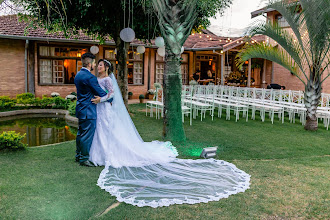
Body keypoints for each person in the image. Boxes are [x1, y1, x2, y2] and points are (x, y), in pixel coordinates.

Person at [87, 59, 251, 208]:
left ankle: (110, 154)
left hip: (105, 108)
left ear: (106, 67)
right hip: (99, 109)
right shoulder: (98, 79)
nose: (98, 67)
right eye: (98, 65)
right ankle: (101, 154)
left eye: (100, 65)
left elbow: (113, 95)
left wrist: (100, 100)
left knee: (108, 131)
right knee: (102, 132)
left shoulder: (108, 79)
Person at [74, 53, 112, 167]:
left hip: (81, 109)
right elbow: (100, 93)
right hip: (88, 110)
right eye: (95, 63)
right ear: (89, 64)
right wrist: (107, 96)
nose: (95, 66)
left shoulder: (78, 75)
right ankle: (84, 159)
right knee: (86, 134)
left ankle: (78, 155)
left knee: (80, 133)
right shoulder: (90, 77)